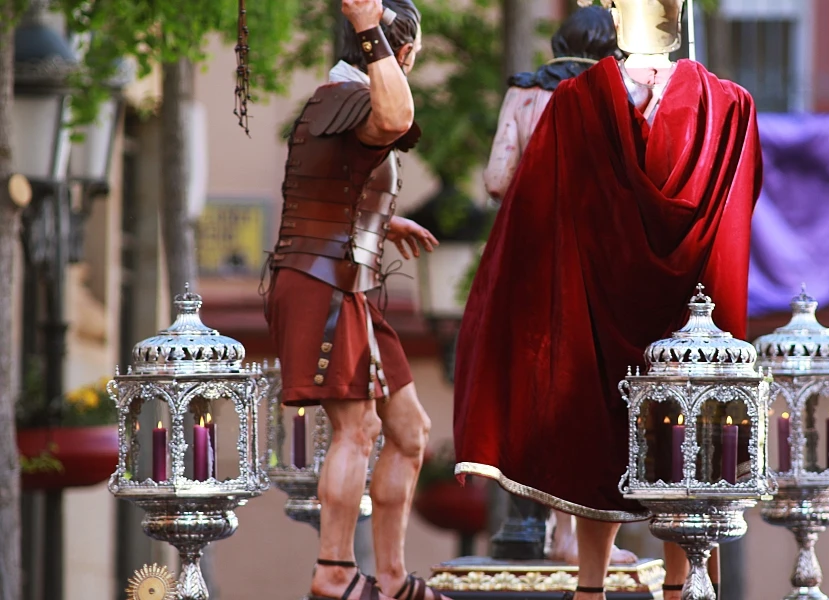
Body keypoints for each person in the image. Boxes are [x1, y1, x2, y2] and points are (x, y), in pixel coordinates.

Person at [454, 0, 761, 598]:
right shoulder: (728, 107)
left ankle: (593, 587)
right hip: (691, 316)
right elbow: (741, 204)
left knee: (600, 437)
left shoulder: (575, 103)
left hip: (596, 306)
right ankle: (682, 583)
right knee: (684, 434)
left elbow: (536, 208)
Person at [264, 1, 448, 599]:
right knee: (358, 427)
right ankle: (334, 570)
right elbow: (396, 116)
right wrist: (375, 32)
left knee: (410, 429)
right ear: (408, 51)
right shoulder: (350, 96)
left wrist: (381, 223)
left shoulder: (336, 100)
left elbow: (329, 185)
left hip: (348, 284)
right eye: (413, 52)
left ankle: (392, 579)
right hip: (325, 284)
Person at [482, 5, 636, 567]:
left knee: (531, 391)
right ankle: (577, 540)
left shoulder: (523, 92)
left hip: (529, 261)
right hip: (593, 266)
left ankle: (526, 526)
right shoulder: (613, 94)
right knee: (587, 396)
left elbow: (497, 178)